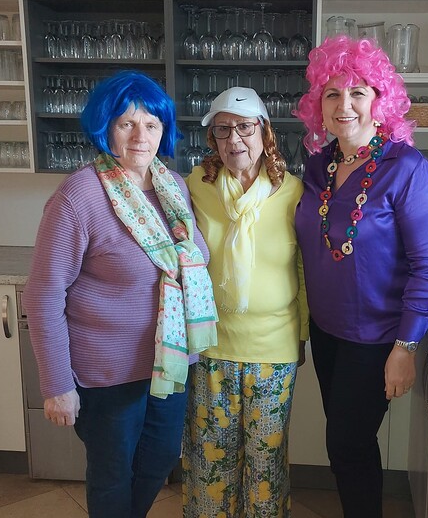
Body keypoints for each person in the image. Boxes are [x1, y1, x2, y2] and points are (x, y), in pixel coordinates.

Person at [22, 71, 218, 518]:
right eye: (126, 123)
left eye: (151, 124)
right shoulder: (80, 196)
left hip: (170, 361)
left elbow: (192, 259)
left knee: (160, 458)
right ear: (105, 127)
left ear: (164, 130)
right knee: (113, 475)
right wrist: (57, 384)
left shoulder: (173, 187)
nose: (140, 136)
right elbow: (44, 294)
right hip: (108, 373)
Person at [294, 36, 428, 518]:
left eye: (358, 92)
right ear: (318, 105)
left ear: (381, 101)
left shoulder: (407, 168)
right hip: (327, 333)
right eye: (332, 93)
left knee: (348, 444)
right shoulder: (318, 167)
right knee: (348, 445)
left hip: (376, 338)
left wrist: (405, 348)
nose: (345, 105)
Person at [182, 86, 309, 518]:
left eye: (244, 127)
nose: (234, 139)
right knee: (211, 460)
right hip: (211, 346)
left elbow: (303, 270)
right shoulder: (195, 187)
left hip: (274, 349)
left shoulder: (293, 192)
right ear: (212, 139)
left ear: (264, 132)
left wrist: (302, 334)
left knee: (265, 463)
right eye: (222, 130)